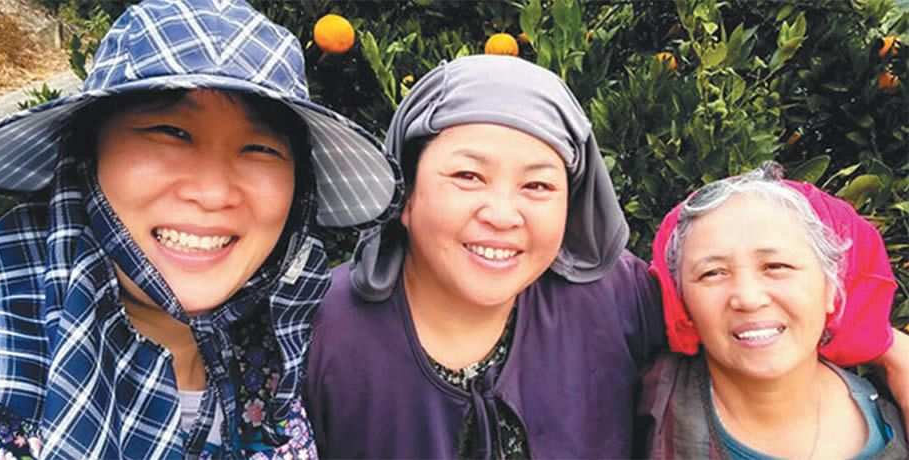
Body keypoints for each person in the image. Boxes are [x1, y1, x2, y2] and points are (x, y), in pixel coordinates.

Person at [302, 55, 909, 458]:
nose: (502, 212)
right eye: (467, 176)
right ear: (405, 193)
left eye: (538, 185)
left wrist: (885, 346)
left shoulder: (612, 299)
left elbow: (739, 311)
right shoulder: (315, 327)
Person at [0, 0, 399, 458]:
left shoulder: (272, 347)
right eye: (170, 131)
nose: (212, 193)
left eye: (260, 148)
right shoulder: (6, 362)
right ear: (87, 156)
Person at [641, 162, 907, 458]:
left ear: (832, 287)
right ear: (683, 303)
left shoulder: (891, 423)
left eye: (776, 266)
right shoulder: (643, 412)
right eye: (713, 273)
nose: (749, 298)